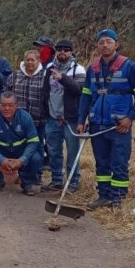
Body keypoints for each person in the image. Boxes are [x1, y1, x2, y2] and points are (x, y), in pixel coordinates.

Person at [77, 29, 135, 209]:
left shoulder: (129, 67)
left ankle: (118, 198)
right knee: (101, 163)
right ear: (97, 46)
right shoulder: (92, 68)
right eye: (101, 42)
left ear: (116, 44)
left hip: (119, 126)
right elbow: (85, 96)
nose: (105, 45)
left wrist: (130, 118)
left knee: (119, 162)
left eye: (109, 41)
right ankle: (104, 195)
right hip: (97, 124)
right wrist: (81, 120)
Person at [40, 39, 86, 192]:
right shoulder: (49, 68)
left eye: (66, 49)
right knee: (54, 151)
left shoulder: (78, 69)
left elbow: (79, 89)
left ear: (71, 52)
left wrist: (63, 78)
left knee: (72, 152)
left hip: (70, 119)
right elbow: (45, 92)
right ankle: (57, 180)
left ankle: (73, 183)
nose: (62, 52)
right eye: (59, 49)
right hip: (52, 118)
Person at [0, 92, 42, 196]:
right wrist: (1, 159)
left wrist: (22, 160)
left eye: (10, 105)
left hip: (20, 150)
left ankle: (27, 183)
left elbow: (33, 142)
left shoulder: (26, 117)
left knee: (36, 157)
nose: (7, 108)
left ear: (17, 105)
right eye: (3, 105)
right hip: (1, 150)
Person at [5, 49, 47, 185]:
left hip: (38, 120)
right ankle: (20, 174)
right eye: (27, 59)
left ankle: (37, 175)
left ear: (38, 61)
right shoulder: (15, 76)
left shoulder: (44, 76)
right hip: (17, 121)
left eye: (32, 60)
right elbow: (5, 92)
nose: (30, 62)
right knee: (20, 148)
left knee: (38, 148)